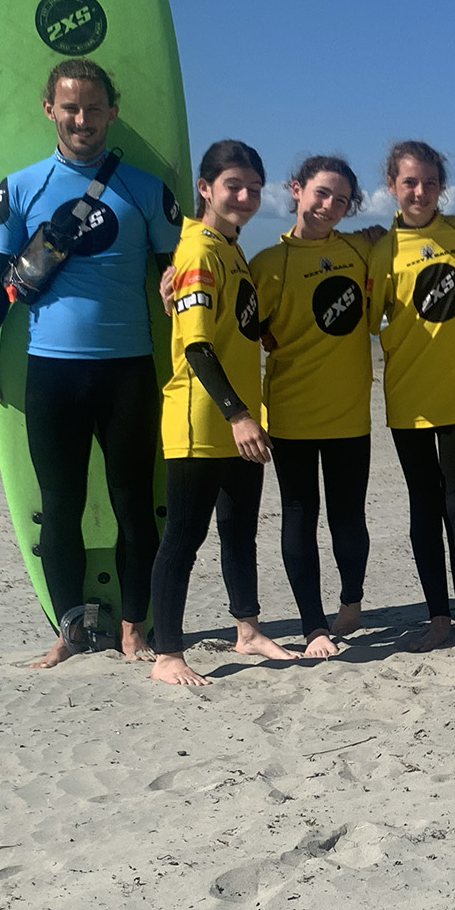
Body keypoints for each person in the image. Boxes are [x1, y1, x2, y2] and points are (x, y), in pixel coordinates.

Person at [0, 59, 181, 668]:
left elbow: (176, 271)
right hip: (52, 374)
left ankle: (134, 628)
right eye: (70, 107)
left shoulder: (145, 189)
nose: (82, 119)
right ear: (49, 110)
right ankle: (68, 632)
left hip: (128, 372)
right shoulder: (21, 187)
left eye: (93, 108)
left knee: (133, 503)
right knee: (59, 507)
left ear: (112, 112)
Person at [150, 141, 295, 686]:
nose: (245, 197)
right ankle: (167, 655)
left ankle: (248, 631)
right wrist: (238, 415)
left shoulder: (230, 249)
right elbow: (196, 346)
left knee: (239, 532)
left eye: (254, 189)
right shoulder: (199, 251)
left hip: (240, 422)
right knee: (183, 539)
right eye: (234, 186)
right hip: (202, 421)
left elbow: (236, 327)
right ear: (205, 188)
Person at [367, 141, 455, 666]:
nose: (419, 192)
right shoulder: (382, 251)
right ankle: (438, 618)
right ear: (392, 186)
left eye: (429, 182)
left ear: (442, 186)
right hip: (407, 399)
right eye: (409, 182)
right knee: (424, 508)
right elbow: (358, 324)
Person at [248, 156, 376, 659]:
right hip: (292, 413)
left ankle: (351, 603)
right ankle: (313, 626)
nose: (329, 206)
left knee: (349, 516)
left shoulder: (361, 249)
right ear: (297, 189)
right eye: (321, 193)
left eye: (341, 200)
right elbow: (240, 330)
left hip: (350, 412)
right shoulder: (267, 264)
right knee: (300, 516)